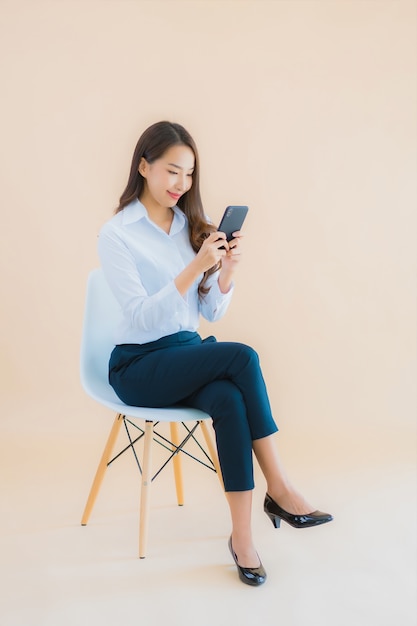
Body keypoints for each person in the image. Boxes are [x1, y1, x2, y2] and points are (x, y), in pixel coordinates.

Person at [97, 121, 333, 586]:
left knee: (227, 397)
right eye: (170, 171)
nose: (180, 184)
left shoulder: (188, 226)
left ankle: (242, 539)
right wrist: (192, 268)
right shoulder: (117, 233)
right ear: (143, 166)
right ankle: (280, 488)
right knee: (242, 357)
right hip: (138, 365)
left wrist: (224, 272)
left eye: (188, 174)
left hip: (186, 351)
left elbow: (208, 311)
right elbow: (141, 317)